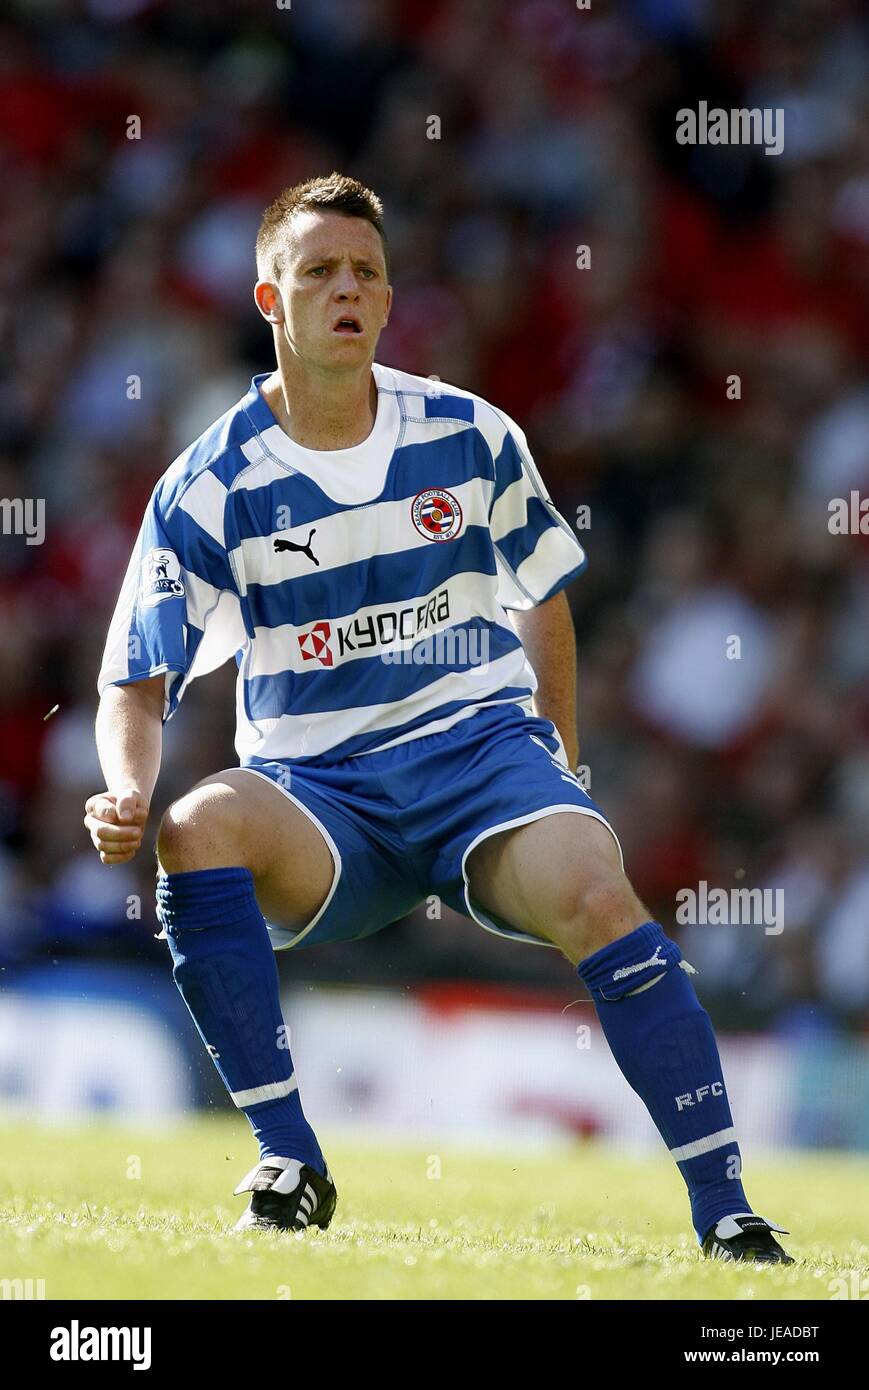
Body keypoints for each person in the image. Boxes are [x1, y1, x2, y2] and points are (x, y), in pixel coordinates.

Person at [86, 173, 792, 1262]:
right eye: (318, 270)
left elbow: (540, 594)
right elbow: (135, 677)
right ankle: (287, 1156)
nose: (347, 289)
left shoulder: (468, 434)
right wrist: (127, 784)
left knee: (599, 889)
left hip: (480, 761)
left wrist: (553, 756)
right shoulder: (208, 483)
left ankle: (727, 1209)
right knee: (191, 829)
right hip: (321, 797)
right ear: (269, 301)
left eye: (366, 271)